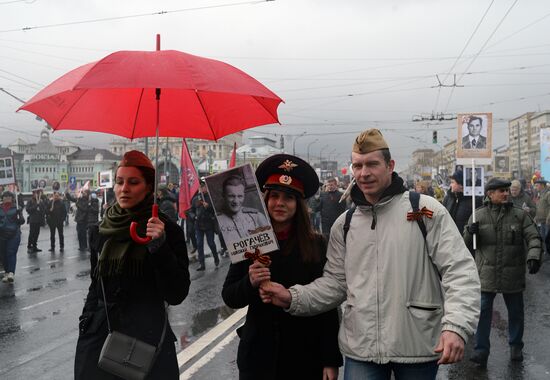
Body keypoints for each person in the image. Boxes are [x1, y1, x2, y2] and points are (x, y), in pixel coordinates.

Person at [260, 129, 480, 379]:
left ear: (390, 165)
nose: (364, 173)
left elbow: (459, 270)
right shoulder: (345, 224)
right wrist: (292, 297)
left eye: (372, 164)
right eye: (358, 165)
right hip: (362, 350)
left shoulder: (425, 211)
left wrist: (456, 326)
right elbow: (335, 284)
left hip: (418, 346)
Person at [222, 154, 342, 380]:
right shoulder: (249, 242)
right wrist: (250, 281)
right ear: (265, 200)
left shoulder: (316, 244)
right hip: (258, 359)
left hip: (304, 357)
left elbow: (328, 303)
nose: (279, 203)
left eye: (288, 197)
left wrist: (330, 359)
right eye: (274, 196)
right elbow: (230, 297)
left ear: (298, 204)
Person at [74, 150, 190, 379]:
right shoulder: (101, 229)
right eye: (119, 181)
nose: (124, 188)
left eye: (133, 182)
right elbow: (96, 288)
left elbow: (177, 293)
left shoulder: (166, 230)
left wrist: (160, 247)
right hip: (100, 340)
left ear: (148, 187)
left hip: (146, 344)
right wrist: (86, 325)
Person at [464, 178, 542, 366]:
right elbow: (465, 244)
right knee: (482, 313)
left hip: (512, 273)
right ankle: (481, 350)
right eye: (501, 191)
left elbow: (533, 237)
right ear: (490, 194)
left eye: (507, 190)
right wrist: (469, 232)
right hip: (486, 274)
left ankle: (516, 346)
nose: (506, 193)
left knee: (516, 313)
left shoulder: (519, 215)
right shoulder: (478, 216)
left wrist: (533, 256)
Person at [216, 175, 269, 245]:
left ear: (244, 195)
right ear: (223, 196)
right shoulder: (219, 220)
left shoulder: (257, 216)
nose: (236, 201)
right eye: (231, 196)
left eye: (240, 196)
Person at [442, 170, 483, 235]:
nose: (450, 185)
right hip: (449, 238)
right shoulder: (448, 198)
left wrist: (470, 230)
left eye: (453, 182)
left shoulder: (474, 200)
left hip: (465, 239)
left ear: (461, 185)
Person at [193, 182, 219, 271]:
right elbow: (190, 210)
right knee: (199, 244)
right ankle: (201, 264)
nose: (202, 188)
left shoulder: (210, 197)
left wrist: (208, 207)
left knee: (211, 243)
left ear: (206, 188)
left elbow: (216, 210)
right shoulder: (196, 198)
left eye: (203, 187)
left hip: (209, 224)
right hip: (198, 225)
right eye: (200, 187)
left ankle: (216, 257)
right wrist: (193, 216)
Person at [0, 191, 25, 283]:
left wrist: (19, 214)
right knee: (3, 254)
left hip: (13, 234)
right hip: (2, 234)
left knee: (11, 253)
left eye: (9, 196)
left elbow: (22, 221)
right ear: (2, 198)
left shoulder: (17, 207)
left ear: (12, 198)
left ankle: (11, 272)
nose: (6, 198)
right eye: (5, 196)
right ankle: (6, 272)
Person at [26, 189, 45, 253]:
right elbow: (28, 210)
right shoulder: (30, 201)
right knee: (31, 234)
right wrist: (36, 205)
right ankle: (29, 246)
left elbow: (43, 210)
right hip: (33, 220)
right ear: (33, 194)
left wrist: (40, 204)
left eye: (39, 194)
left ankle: (34, 246)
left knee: (37, 234)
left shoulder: (40, 201)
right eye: (36, 194)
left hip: (38, 220)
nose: (37, 195)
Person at [533, 178, 549, 255]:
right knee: (543, 237)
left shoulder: (548, 194)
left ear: (542, 185)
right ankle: (545, 252)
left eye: (537, 185)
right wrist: (536, 217)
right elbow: (539, 207)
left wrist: (549, 218)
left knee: (547, 237)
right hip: (541, 220)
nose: (536, 187)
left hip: (547, 221)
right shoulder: (540, 194)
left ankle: (547, 253)